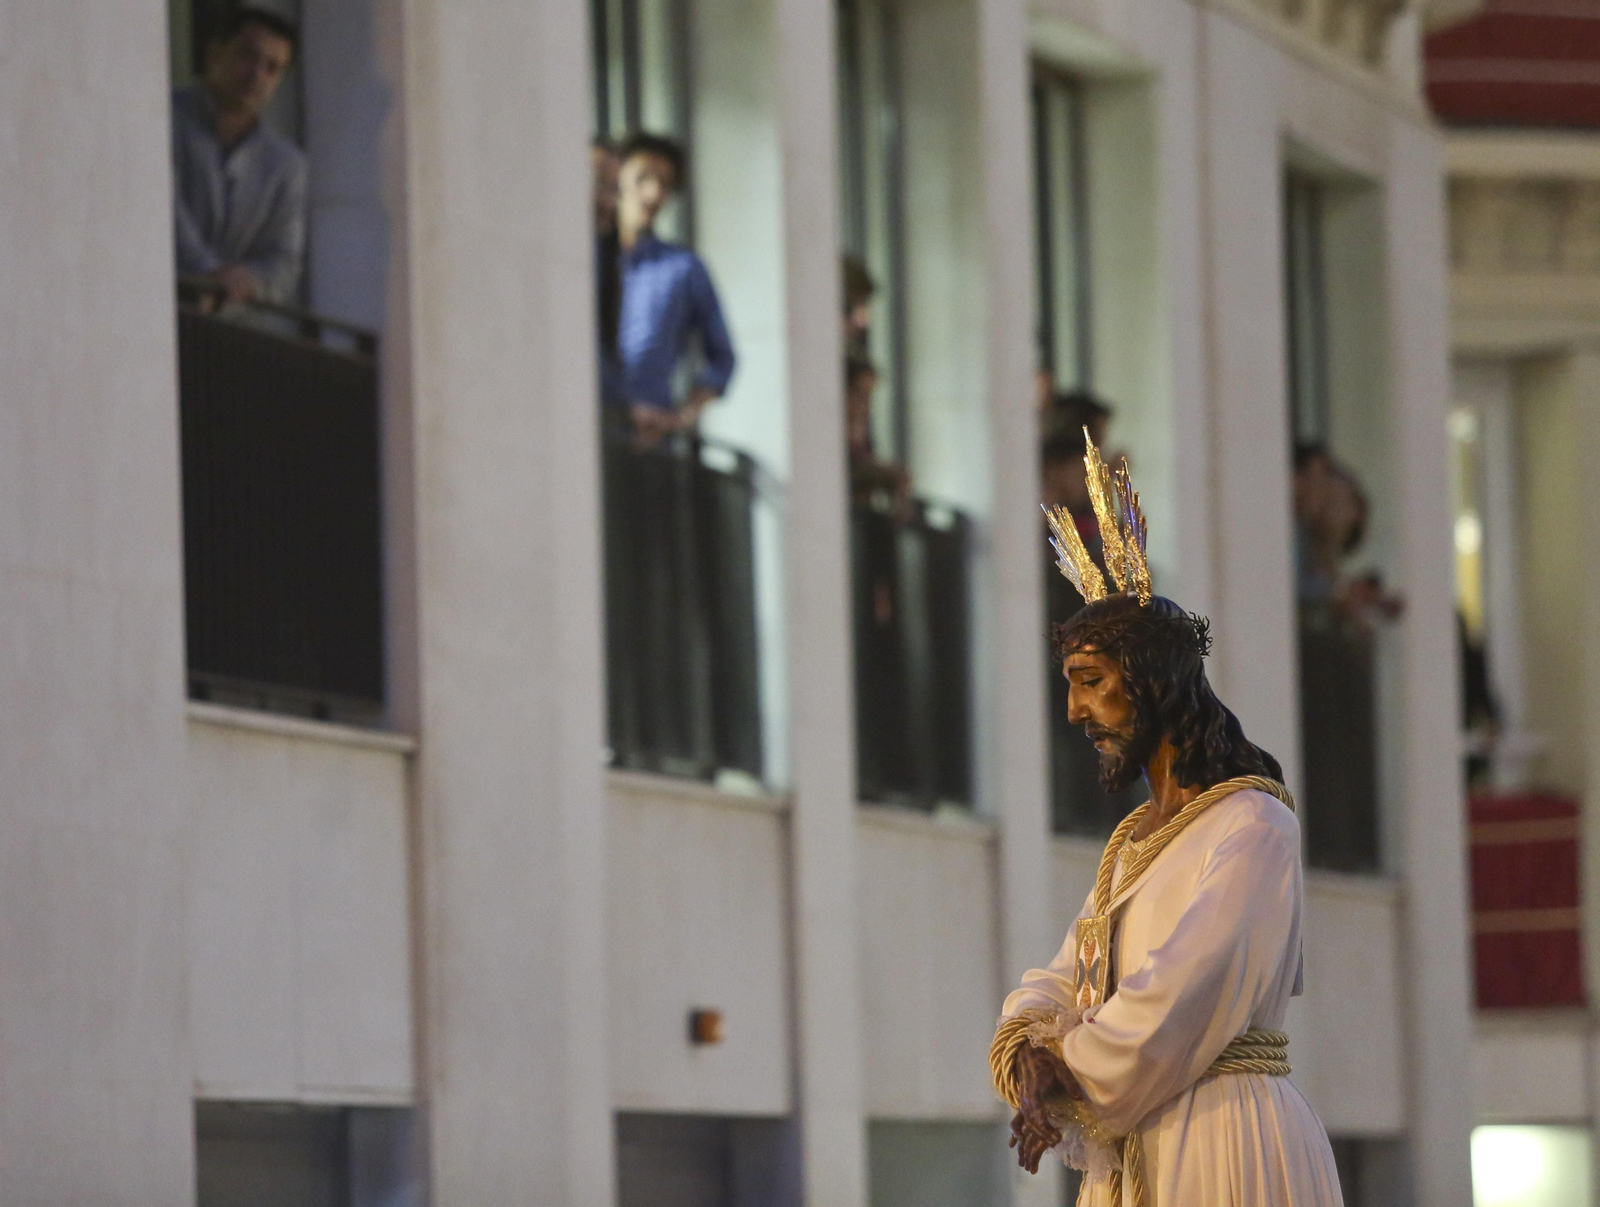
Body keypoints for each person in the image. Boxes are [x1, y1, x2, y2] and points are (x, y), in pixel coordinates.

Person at [997, 434, 1341, 1205]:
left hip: (1225, 1137)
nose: (1075, 710)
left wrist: (1071, 1063)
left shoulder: (1252, 826)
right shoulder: (1133, 842)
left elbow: (1185, 988)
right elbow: (1064, 975)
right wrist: (1028, 1050)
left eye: (1091, 681)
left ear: (1150, 682)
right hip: (1133, 1148)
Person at [602, 132, 735, 448]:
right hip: (591, 426)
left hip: (651, 438)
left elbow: (722, 357)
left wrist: (683, 416)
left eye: (664, 184)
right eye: (642, 178)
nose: (652, 193)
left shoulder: (682, 268)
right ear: (616, 178)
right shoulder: (588, 260)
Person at [171, 6, 307, 307]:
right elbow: (164, 213)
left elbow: (284, 262)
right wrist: (210, 274)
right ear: (214, 53)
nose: (257, 74)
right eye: (248, 55)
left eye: (272, 68)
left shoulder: (286, 165)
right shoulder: (164, 120)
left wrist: (247, 281)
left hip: (229, 333)